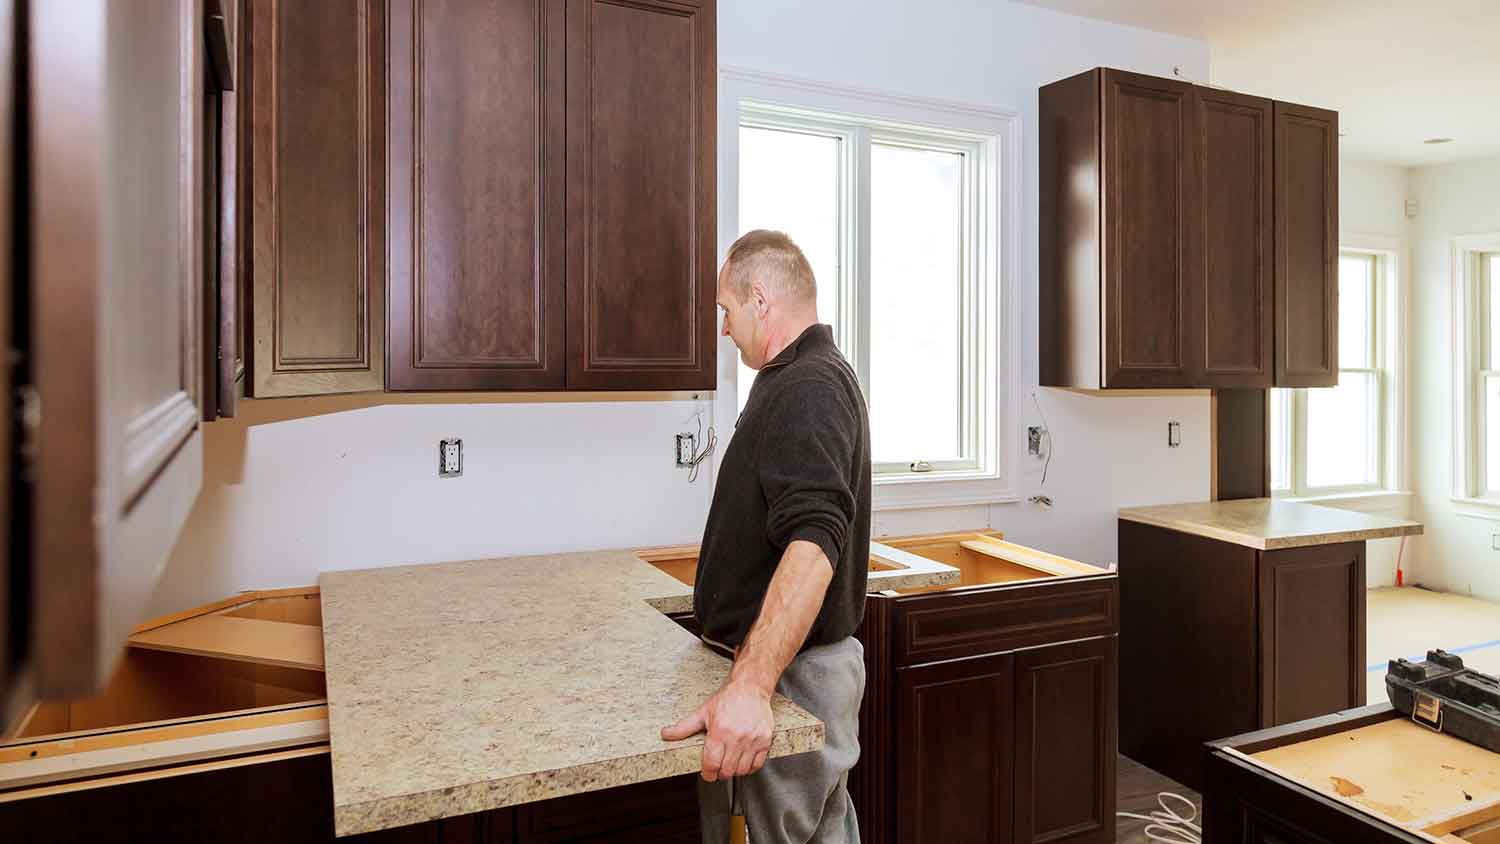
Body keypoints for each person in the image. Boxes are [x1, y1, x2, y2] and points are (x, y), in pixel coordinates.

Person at [661, 229, 872, 844]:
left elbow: (814, 541)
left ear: (760, 298)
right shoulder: (793, 378)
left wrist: (752, 686)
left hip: (792, 676)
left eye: (726, 310)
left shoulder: (808, 386)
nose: (724, 329)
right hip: (788, 669)